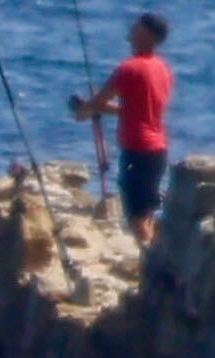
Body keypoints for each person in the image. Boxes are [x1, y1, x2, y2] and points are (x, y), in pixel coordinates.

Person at [71, 14, 175, 243]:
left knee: (136, 219)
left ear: (145, 34)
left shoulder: (129, 68)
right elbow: (131, 109)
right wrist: (95, 107)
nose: (130, 28)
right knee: (147, 212)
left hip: (137, 150)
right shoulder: (162, 69)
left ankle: (151, 266)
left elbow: (99, 101)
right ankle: (158, 257)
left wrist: (83, 111)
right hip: (158, 150)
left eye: (136, 26)